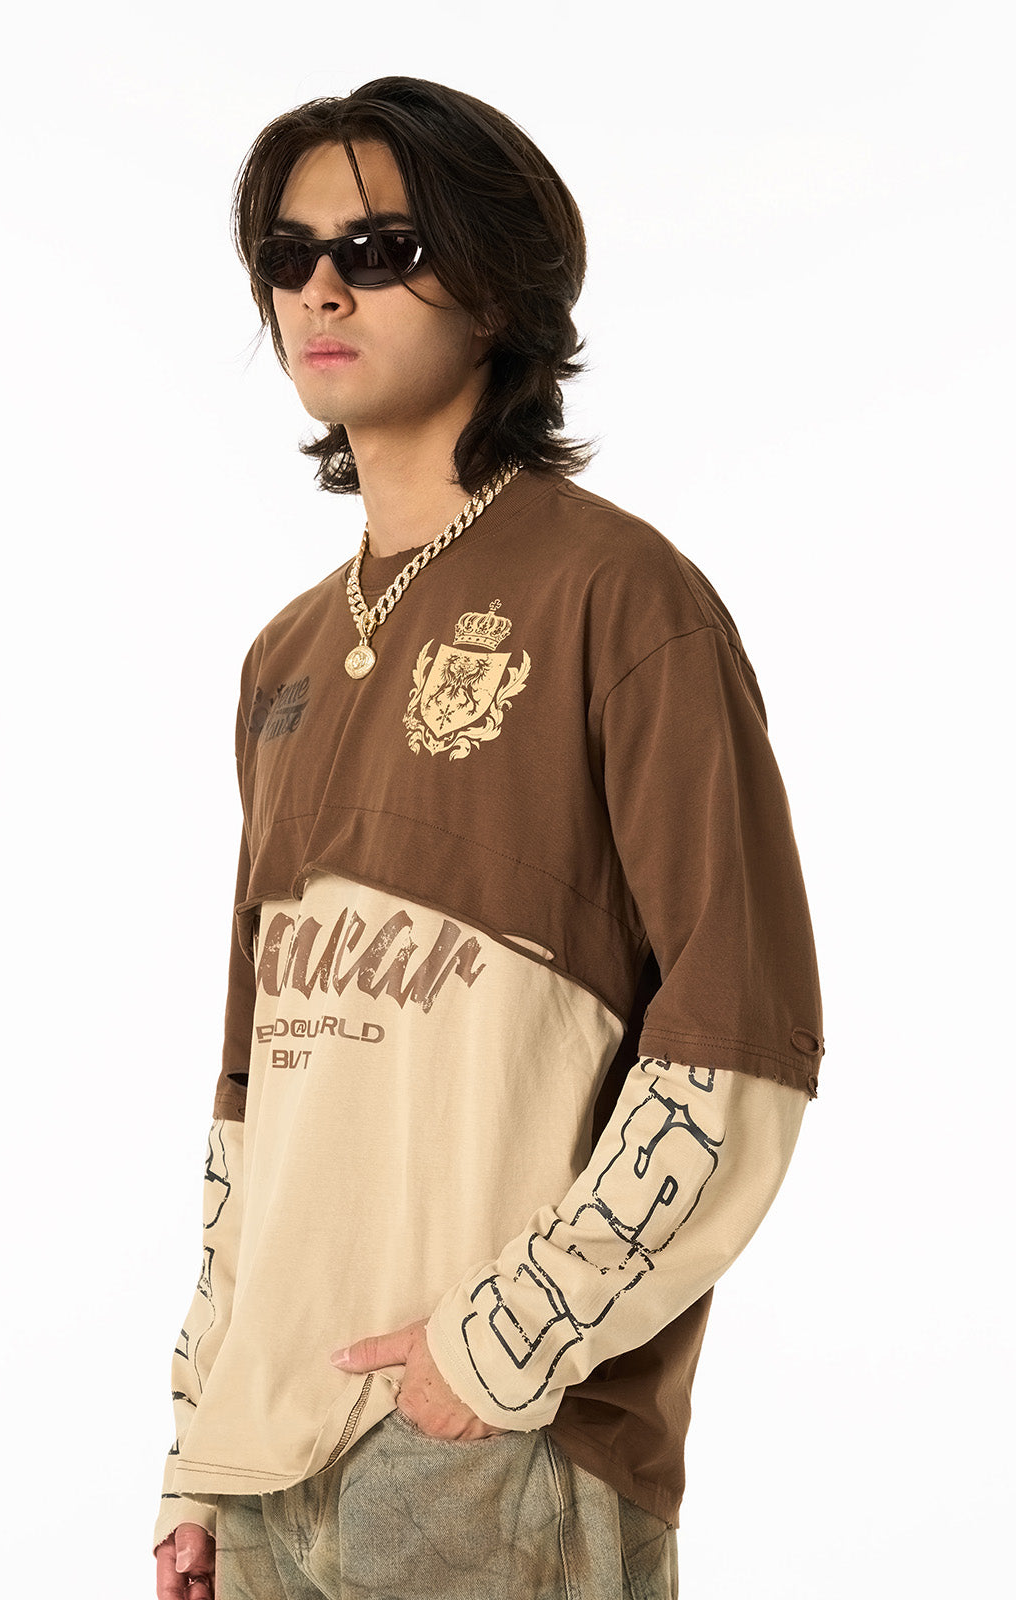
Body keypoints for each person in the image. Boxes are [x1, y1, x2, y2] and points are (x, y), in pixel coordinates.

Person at [152, 75, 824, 1600]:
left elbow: (744, 1039)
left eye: (382, 248)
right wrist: (200, 1443)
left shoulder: (618, 599)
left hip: (489, 1445)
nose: (321, 287)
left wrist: (498, 1347)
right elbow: (256, 1086)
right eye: (288, 252)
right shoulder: (284, 658)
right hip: (263, 1467)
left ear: (500, 288)